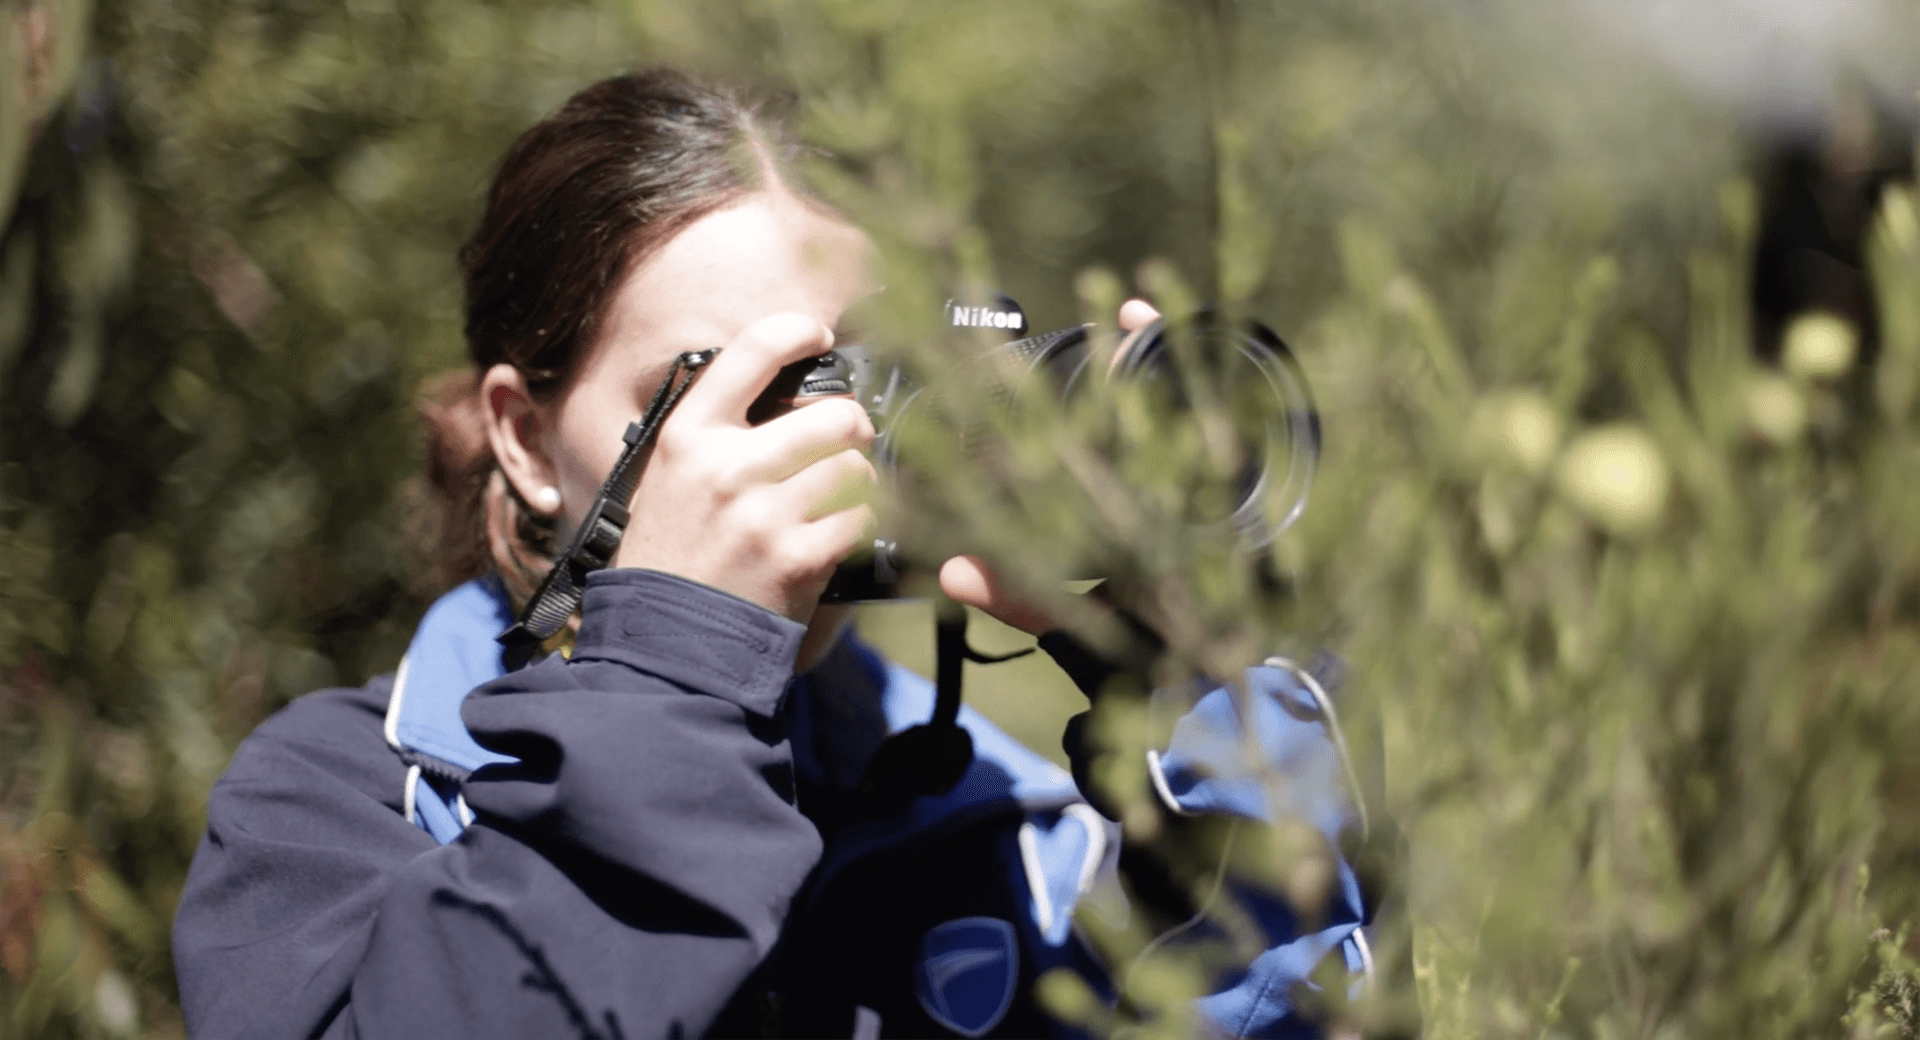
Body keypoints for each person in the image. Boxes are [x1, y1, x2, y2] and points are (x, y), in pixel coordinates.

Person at [171, 68, 1375, 1040]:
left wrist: (1200, 697)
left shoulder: (1009, 830)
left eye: (866, 372)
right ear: (527, 440)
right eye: (727, 388)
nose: (824, 436)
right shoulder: (336, 803)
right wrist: (673, 669)